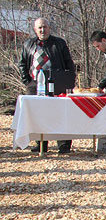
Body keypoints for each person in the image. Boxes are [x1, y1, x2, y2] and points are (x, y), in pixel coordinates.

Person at [17, 17, 75, 153]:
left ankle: (64, 145)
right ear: (35, 29)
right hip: (35, 85)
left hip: (57, 83)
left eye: (45, 27)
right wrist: (27, 81)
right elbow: (22, 63)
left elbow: (69, 63)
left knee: (60, 114)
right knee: (38, 115)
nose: (43, 30)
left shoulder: (59, 43)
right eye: (40, 28)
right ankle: (41, 144)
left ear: (49, 28)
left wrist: (69, 81)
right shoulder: (28, 44)